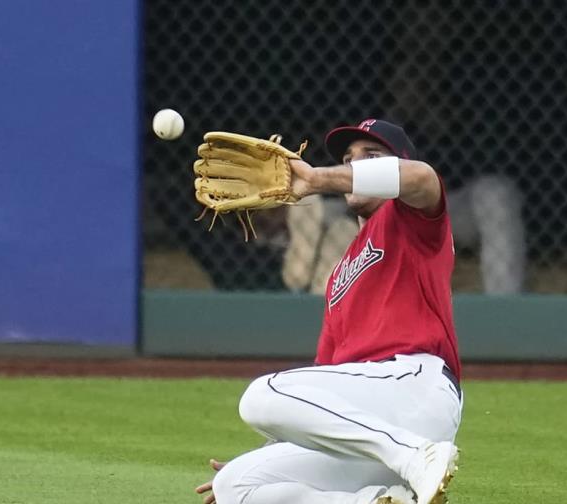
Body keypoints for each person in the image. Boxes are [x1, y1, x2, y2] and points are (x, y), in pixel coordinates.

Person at [195, 119, 463, 504]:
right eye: (348, 158)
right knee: (236, 484)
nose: (354, 166)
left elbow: (421, 177)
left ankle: (415, 457)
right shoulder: (339, 274)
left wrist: (318, 178)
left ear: (393, 167)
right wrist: (270, 453)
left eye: (371, 157)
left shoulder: (413, 220)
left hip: (415, 388)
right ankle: (377, 500)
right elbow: (326, 381)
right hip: (373, 419)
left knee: (260, 396)